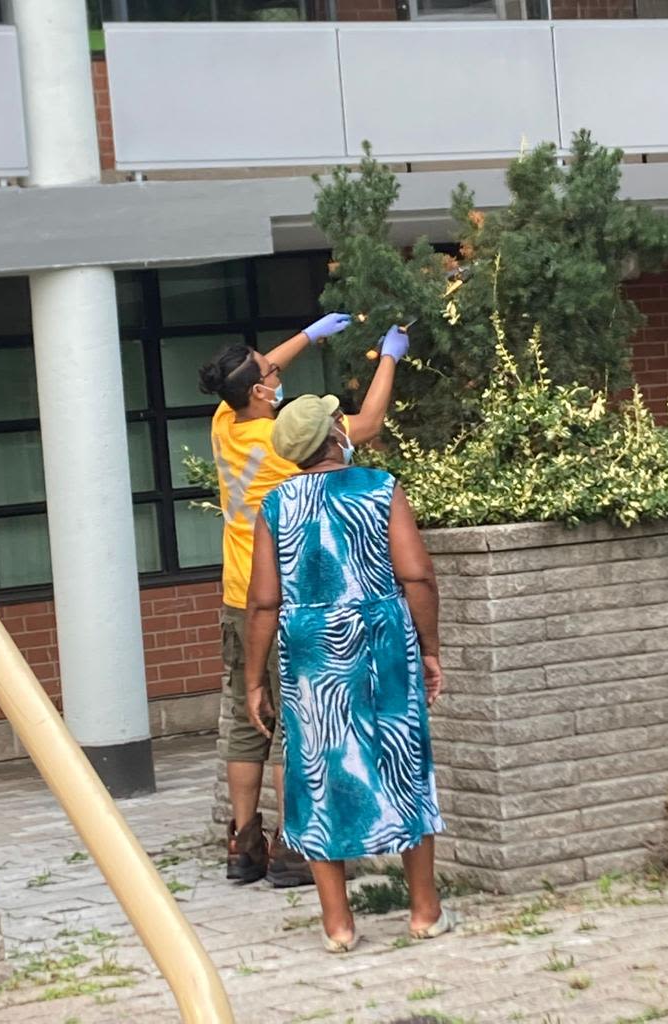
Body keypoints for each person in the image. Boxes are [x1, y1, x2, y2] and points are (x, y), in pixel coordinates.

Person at [198, 314, 410, 887]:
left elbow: (257, 369)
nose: (277, 367)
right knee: (294, 720)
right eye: (270, 370)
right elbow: (362, 426)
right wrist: (389, 358)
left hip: (237, 595)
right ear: (263, 393)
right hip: (284, 596)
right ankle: (295, 847)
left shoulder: (226, 420)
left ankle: (243, 846)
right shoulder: (281, 441)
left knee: (249, 723)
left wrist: (310, 336)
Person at [243, 395, 451, 951]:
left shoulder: (277, 505)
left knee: (319, 771)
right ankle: (424, 910)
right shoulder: (380, 487)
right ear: (335, 433)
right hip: (381, 639)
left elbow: (262, 602)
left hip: (311, 653)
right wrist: (429, 648)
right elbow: (417, 576)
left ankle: (338, 924)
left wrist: (254, 681)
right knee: (403, 759)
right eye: (340, 419)